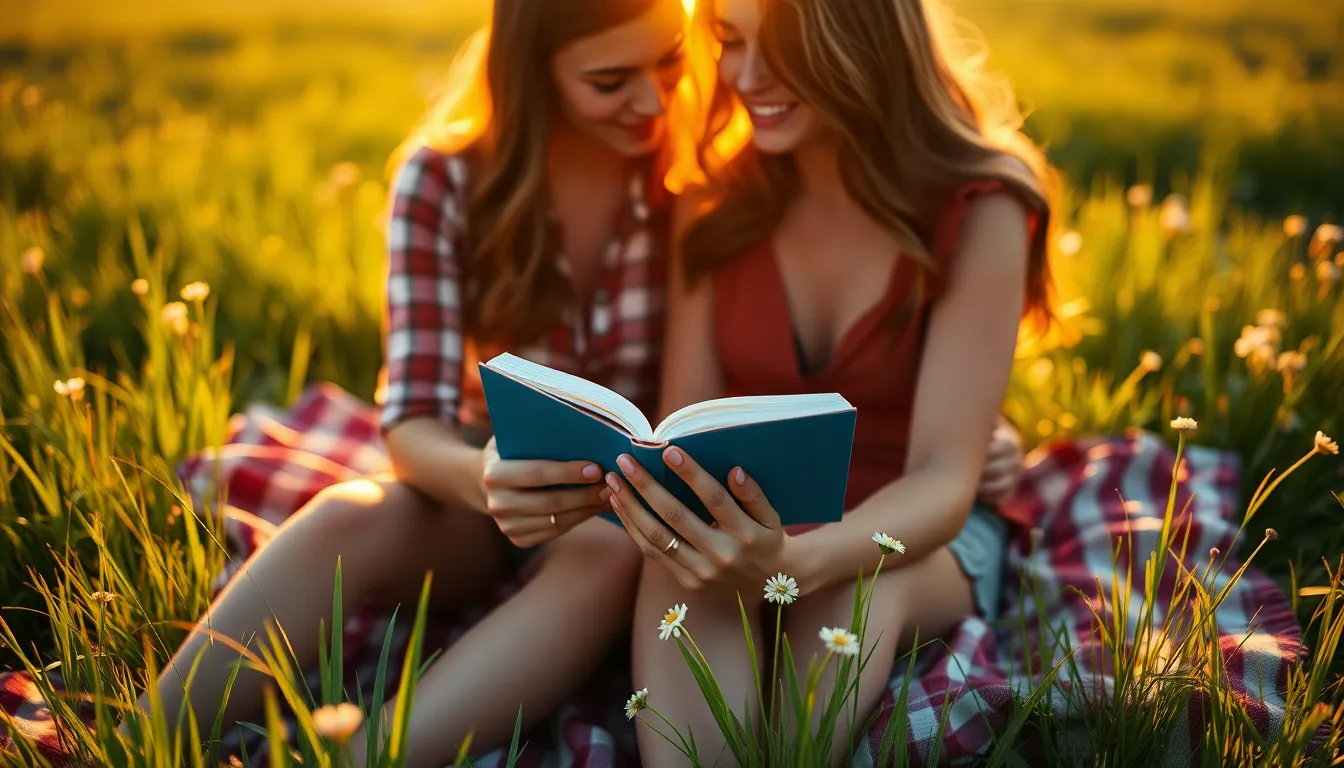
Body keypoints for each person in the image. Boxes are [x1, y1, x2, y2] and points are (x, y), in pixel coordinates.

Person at [125, 0, 689, 764]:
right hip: (478, 482)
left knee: (607, 557)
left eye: (671, 62)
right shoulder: (445, 179)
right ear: (533, 75)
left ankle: (365, 758)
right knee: (344, 516)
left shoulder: (685, 178)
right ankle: (130, 745)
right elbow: (413, 421)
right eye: (610, 80)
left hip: (624, 517)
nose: (653, 100)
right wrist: (486, 478)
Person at [602, 0, 1056, 765]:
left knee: (855, 598)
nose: (746, 78)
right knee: (684, 572)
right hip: (751, 513)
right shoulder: (715, 198)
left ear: (862, 39)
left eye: (782, 49)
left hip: (914, 530)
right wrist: (725, 538)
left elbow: (944, 477)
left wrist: (794, 565)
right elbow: (688, 423)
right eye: (730, 42)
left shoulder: (983, 206)